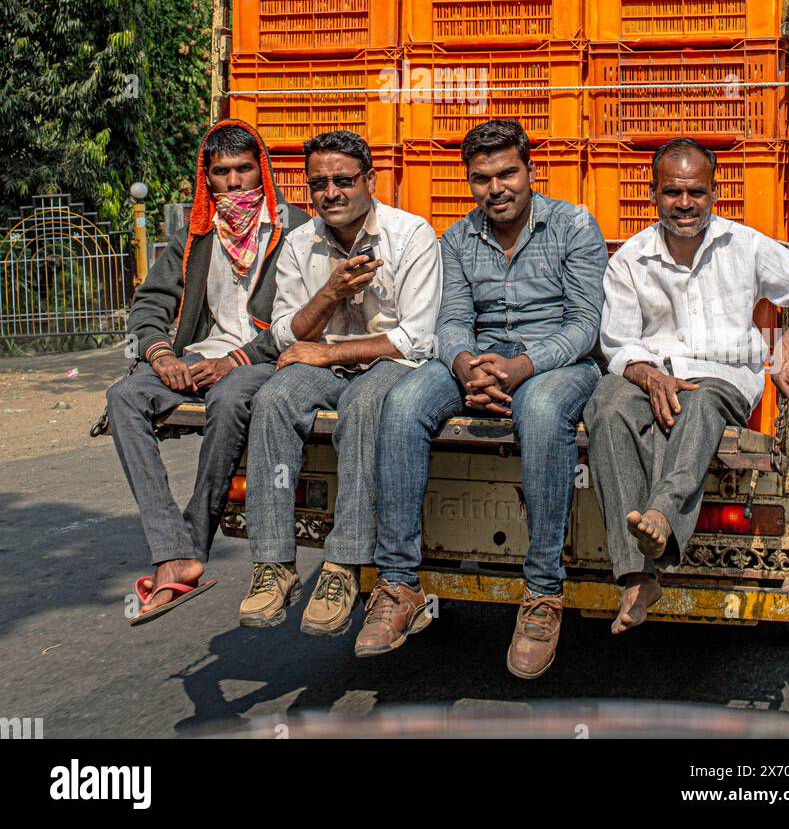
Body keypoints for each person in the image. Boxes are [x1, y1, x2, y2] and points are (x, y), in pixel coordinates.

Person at [355, 119, 608, 679]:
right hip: (481, 358)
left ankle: (542, 592)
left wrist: (521, 368)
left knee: (541, 412)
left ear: (530, 170)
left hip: (557, 361)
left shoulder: (573, 226)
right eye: (481, 178)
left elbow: (586, 324)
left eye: (507, 173)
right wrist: (468, 366)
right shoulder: (457, 238)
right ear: (469, 182)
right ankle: (398, 583)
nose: (496, 188)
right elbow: (451, 322)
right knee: (403, 403)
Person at [584, 137, 789, 636]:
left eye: (696, 192)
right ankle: (638, 575)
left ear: (714, 193)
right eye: (673, 192)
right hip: (651, 372)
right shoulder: (631, 259)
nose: (684, 204)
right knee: (606, 404)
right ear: (653, 192)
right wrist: (647, 374)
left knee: (699, 406)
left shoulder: (744, 245)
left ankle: (660, 514)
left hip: (725, 374)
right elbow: (617, 344)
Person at [239, 131, 441, 637]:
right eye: (319, 183)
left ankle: (344, 566)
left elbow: (415, 339)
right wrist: (329, 295)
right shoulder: (300, 242)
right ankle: (272, 564)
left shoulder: (411, 234)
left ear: (370, 181)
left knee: (367, 403)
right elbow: (287, 332)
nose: (331, 193)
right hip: (322, 362)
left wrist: (329, 351)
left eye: (343, 181)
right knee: (273, 398)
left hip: (388, 361)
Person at [107, 119, 308, 624]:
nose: (235, 182)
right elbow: (150, 304)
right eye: (223, 172)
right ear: (208, 178)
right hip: (200, 354)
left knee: (231, 395)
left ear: (261, 171)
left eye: (244, 169)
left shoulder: (298, 230)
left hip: (265, 358)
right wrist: (162, 357)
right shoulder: (194, 236)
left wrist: (236, 360)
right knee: (124, 397)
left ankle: (192, 545)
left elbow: (307, 316)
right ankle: (171, 547)